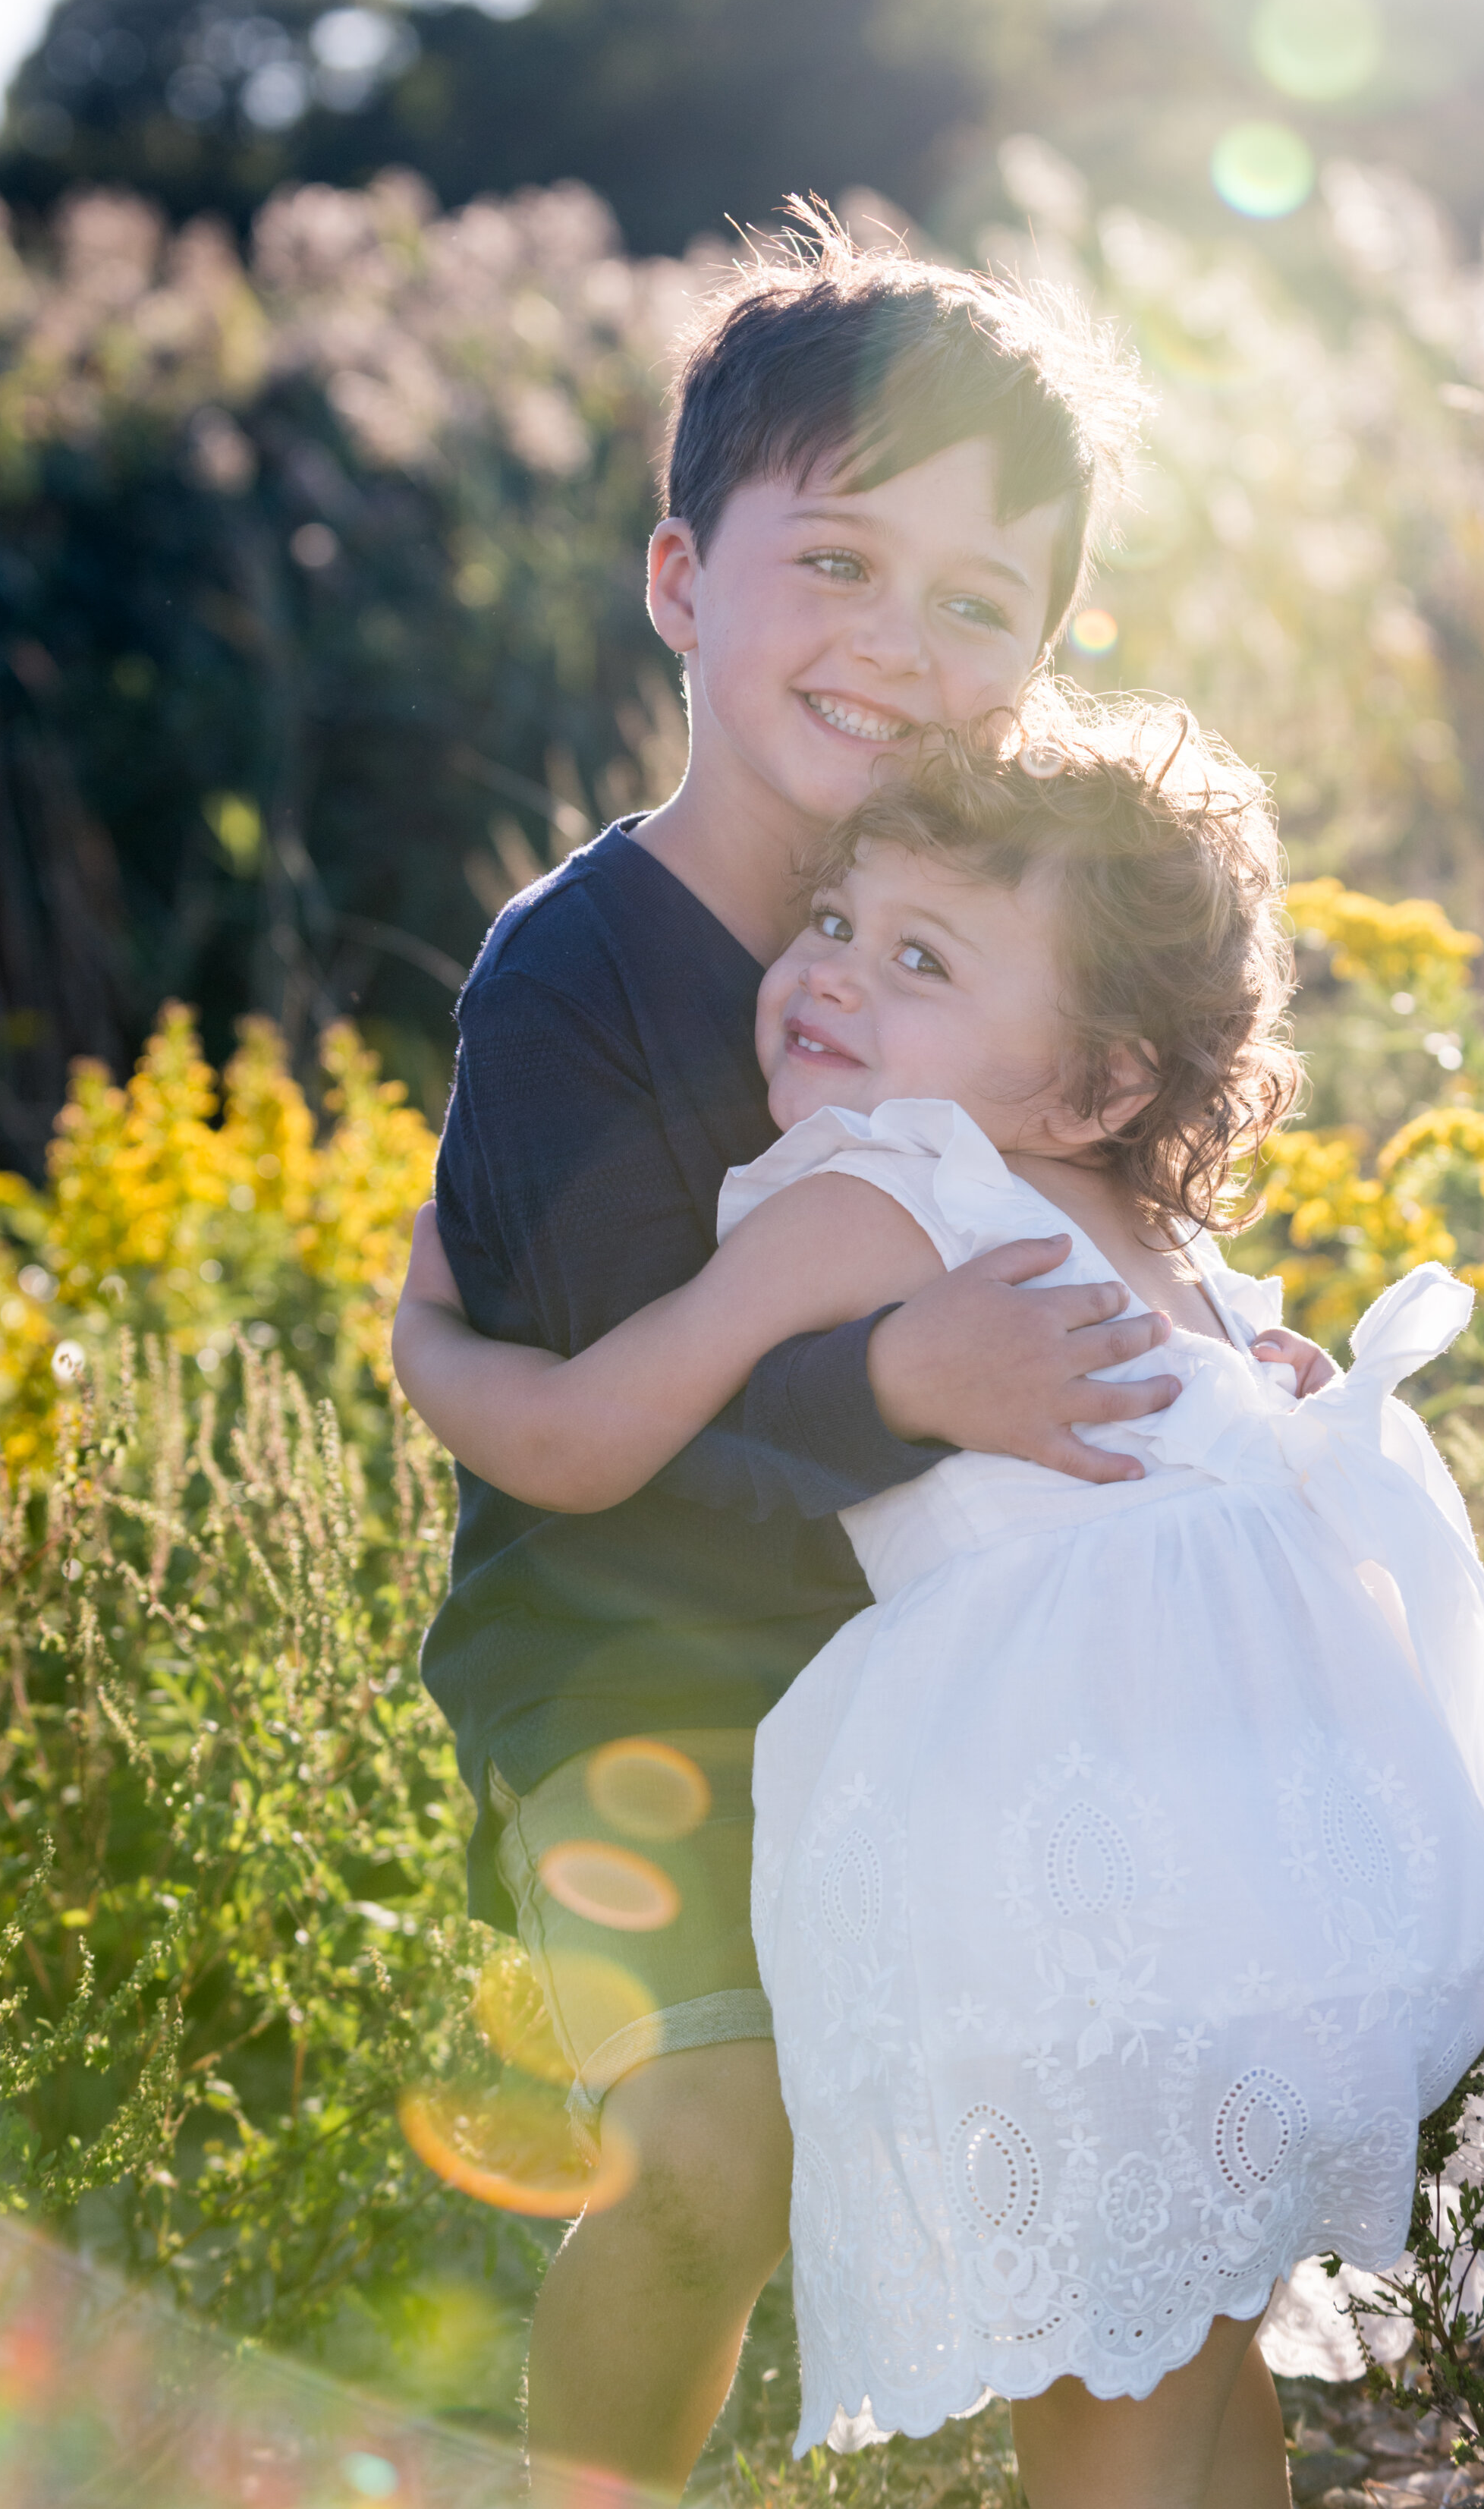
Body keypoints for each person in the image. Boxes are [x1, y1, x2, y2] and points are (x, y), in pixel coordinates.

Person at [397, 691, 1484, 2509]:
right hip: (1202, 1904)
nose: (828, 972)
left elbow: (592, 1428)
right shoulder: (1010, 1220)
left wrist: (428, 1329)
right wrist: (434, 1328)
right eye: (834, 921)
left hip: (1089, 1900)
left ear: (1097, 1085)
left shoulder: (960, 1217)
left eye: (918, 955)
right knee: (1174, 2360)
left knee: (1139, 2365)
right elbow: (591, 1437)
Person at [417, 217, 1243, 2505]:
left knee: (1152, 2184)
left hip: (943, 1654)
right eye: (842, 556)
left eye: (977, 603)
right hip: (634, 1668)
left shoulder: (993, 917)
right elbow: (602, 1425)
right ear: (682, 577)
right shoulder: (570, 981)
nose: (899, 641)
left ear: (1046, 659)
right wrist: (902, 1383)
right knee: (714, 2137)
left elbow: (1088, 1187)